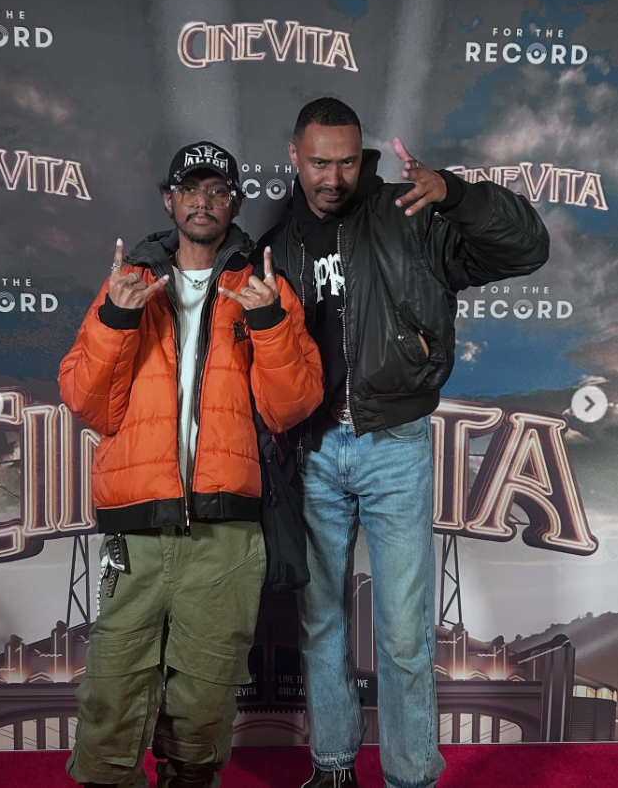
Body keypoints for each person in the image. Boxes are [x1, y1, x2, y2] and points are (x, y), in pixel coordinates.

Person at [253, 98, 550, 788]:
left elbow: (526, 248)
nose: (333, 177)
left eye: (347, 161)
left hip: (394, 441)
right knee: (319, 620)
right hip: (313, 449)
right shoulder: (277, 241)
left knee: (405, 632)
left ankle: (410, 776)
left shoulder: (408, 213)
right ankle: (332, 766)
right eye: (319, 162)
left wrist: (458, 195)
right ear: (294, 155)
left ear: (365, 157)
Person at [59, 141, 323, 788]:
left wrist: (267, 320)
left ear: (232, 201)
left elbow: (292, 405)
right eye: (190, 189)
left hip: (226, 535)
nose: (202, 201)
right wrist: (117, 316)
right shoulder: (130, 281)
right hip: (137, 530)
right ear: (168, 200)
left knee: (205, 703)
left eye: (216, 190)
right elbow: (88, 400)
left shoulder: (262, 284)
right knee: (112, 689)